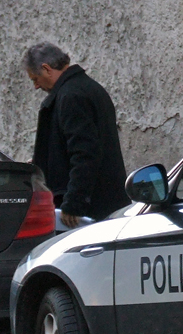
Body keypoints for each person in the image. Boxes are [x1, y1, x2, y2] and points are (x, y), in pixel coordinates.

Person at [22, 43, 128, 227]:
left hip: (89, 212)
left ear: (46, 69)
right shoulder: (89, 88)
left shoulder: (70, 96)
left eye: (35, 79)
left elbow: (85, 153)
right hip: (105, 204)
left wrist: (74, 202)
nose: (36, 86)